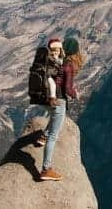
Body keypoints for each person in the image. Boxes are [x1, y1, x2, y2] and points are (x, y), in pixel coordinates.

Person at [27, 37, 69, 181]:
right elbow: (52, 82)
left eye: (58, 49)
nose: (57, 52)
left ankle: (43, 136)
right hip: (55, 100)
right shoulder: (53, 64)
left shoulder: (45, 62)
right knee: (54, 136)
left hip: (44, 99)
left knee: (53, 120)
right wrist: (53, 97)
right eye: (55, 50)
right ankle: (46, 169)